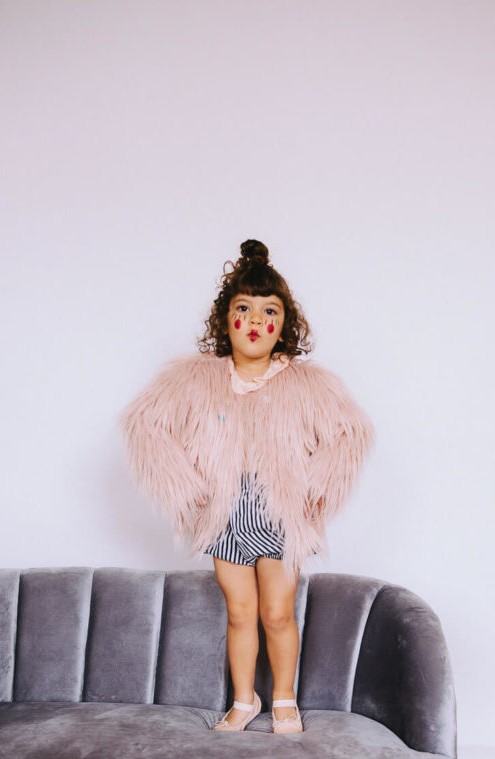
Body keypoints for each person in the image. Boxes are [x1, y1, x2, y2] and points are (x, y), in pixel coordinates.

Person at [121, 240, 373, 733]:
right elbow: (143, 425)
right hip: (225, 519)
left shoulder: (307, 384)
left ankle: (283, 697)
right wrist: (185, 484)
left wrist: (316, 487)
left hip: (278, 518)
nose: (255, 322)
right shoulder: (197, 380)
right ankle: (244, 699)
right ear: (225, 320)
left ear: (284, 325)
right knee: (240, 613)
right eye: (244, 310)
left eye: (268, 312)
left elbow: (350, 435)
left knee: (277, 612)